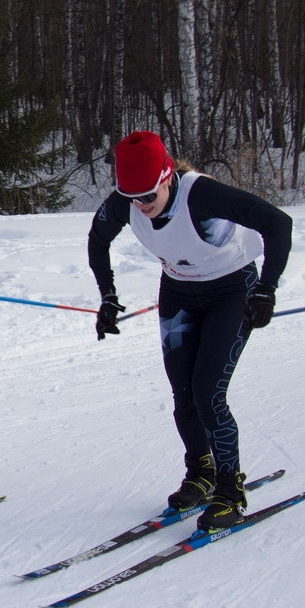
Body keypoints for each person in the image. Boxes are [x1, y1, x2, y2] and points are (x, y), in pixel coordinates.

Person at [87, 130, 292, 530]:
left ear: (167, 177)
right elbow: (97, 239)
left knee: (208, 393)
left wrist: (266, 290)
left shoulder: (202, 195)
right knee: (183, 392)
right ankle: (201, 472)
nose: (140, 206)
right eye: (132, 198)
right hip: (179, 292)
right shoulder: (128, 201)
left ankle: (230, 492)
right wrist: (107, 296)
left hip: (231, 290)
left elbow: (278, 223)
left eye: (148, 196)